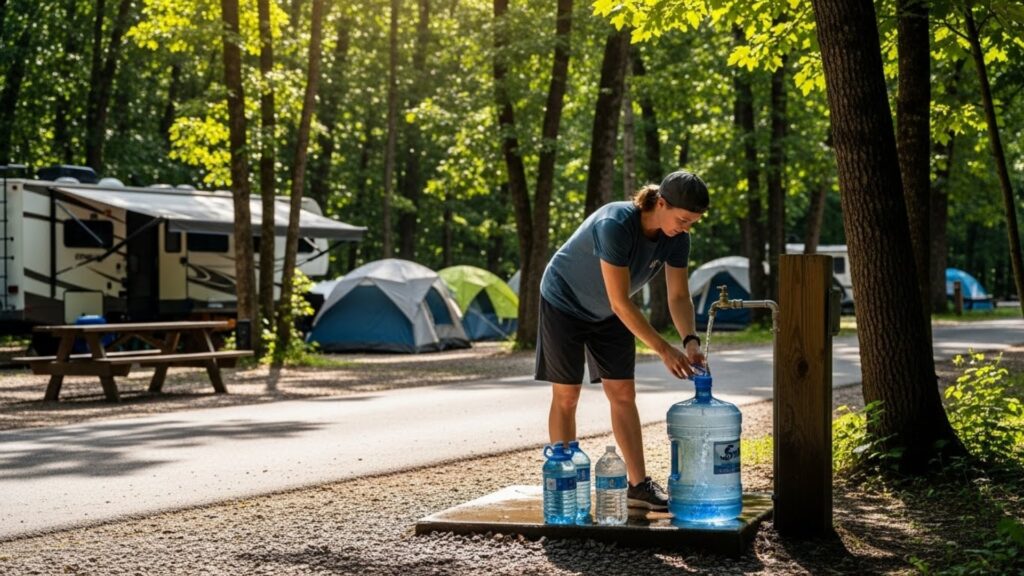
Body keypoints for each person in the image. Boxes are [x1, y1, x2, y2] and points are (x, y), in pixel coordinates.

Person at [536, 169, 709, 510]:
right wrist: (662, 348)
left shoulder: (677, 239)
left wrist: (689, 340)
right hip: (564, 302)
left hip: (611, 311)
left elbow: (677, 296)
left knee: (623, 392)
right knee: (567, 395)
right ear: (661, 203)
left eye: (693, 222)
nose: (686, 227)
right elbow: (620, 300)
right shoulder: (616, 223)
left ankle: (638, 487)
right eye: (683, 219)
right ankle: (566, 480)